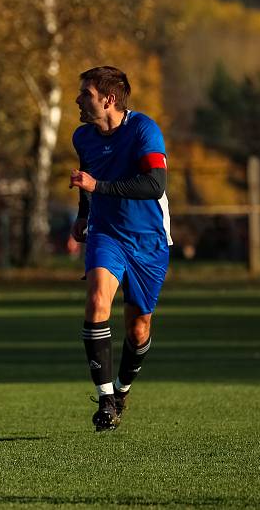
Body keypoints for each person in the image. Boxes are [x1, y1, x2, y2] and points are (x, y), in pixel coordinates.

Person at [69, 66, 171, 432]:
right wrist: (84, 213)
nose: (78, 100)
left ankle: (123, 390)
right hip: (106, 233)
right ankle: (106, 399)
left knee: (139, 328)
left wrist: (99, 187)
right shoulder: (83, 137)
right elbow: (87, 177)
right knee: (97, 301)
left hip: (148, 240)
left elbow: (154, 184)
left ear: (108, 99)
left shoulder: (145, 130)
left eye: (85, 93)